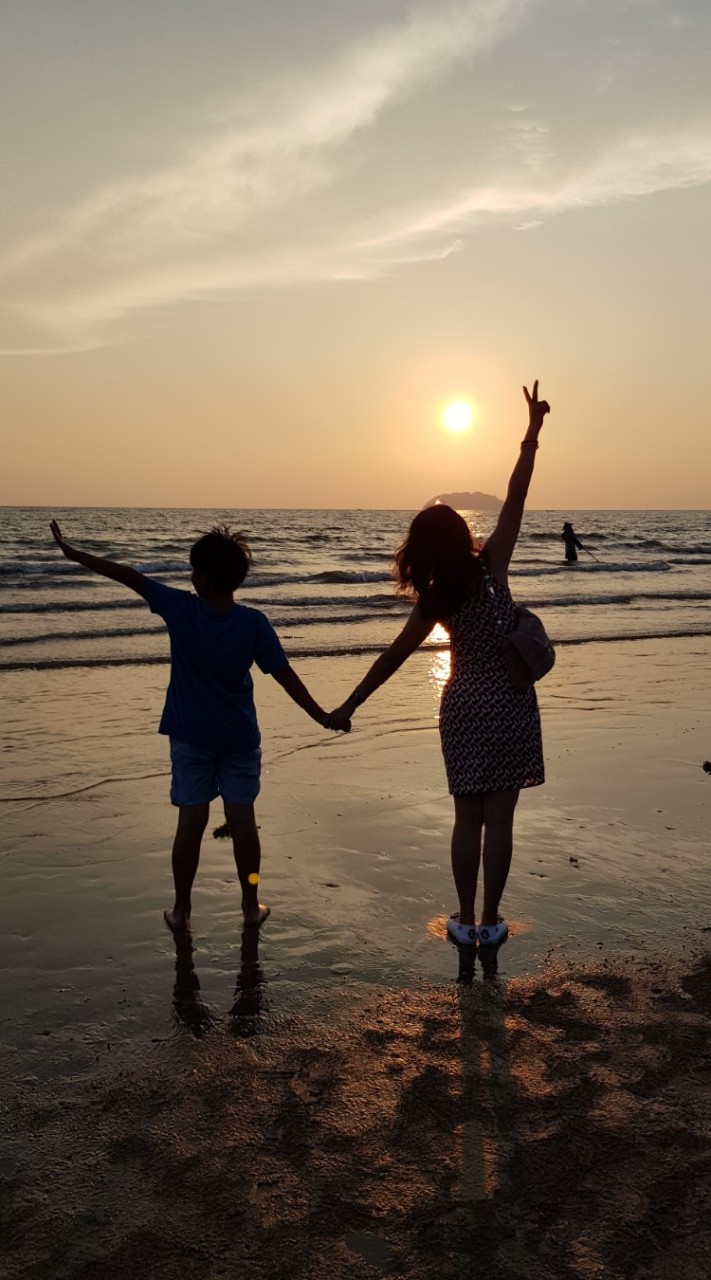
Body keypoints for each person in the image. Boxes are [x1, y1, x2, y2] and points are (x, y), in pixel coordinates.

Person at [328, 381, 550, 948]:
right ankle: (493, 924)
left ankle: (463, 919)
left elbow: (395, 657)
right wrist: (531, 433)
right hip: (509, 698)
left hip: (463, 702)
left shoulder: (435, 599)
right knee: (500, 819)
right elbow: (517, 495)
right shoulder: (492, 567)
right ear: (464, 536)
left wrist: (349, 705)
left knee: (465, 818)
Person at [49, 521, 343, 932]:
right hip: (239, 738)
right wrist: (322, 715)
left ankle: (183, 909)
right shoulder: (253, 623)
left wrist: (75, 553)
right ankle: (250, 904)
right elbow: (284, 675)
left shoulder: (180, 609)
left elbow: (130, 577)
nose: (190, 577)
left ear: (204, 578)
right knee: (243, 823)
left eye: (193, 570)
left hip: (190, 737)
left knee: (191, 823)